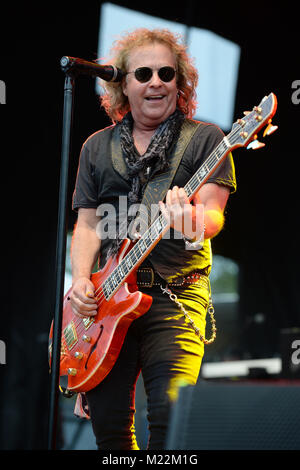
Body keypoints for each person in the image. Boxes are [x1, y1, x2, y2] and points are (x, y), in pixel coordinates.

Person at [70, 28, 236, 450]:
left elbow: (213, 218)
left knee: (170, 420)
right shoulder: (95, 147)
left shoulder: (205, 139)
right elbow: (87, 225)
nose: (155, 81)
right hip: (105, 304)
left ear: (180, 83)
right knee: (109, 431)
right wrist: (81, 281)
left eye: (166, 72)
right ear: (123, 83)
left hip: (176, 294)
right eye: (143, 73)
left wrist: (188, 219)